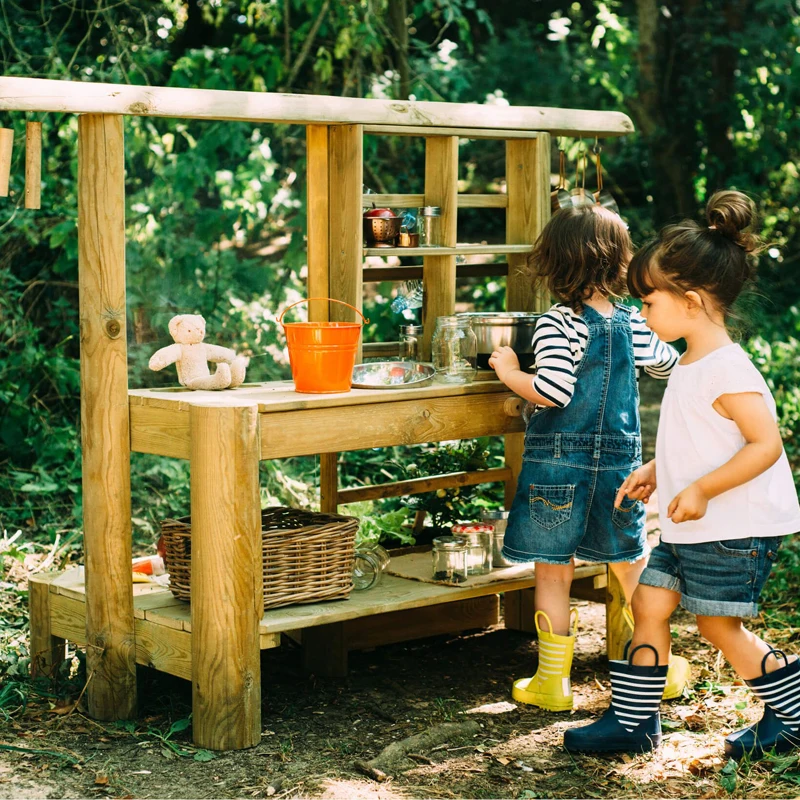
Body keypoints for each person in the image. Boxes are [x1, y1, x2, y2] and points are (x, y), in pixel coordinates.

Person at [564, 190, 800, 758]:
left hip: (732, 527)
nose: (640, 313)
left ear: (690, 300)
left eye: (648, 303)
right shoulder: (692, 362)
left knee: (720, 628)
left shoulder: (727, 368)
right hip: (692, 522)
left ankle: (792, 715)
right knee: (648, 605)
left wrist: (698, 488)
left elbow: (765, 444)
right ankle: (634, 723)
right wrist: (658, 470)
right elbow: (699, 440)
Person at [489, 204, 687, 713]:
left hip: (557, 467)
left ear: (555, 263)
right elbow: (669, 364)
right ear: (618, 262)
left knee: (554, 571)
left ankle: (551, 684)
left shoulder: (557, 323)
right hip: (620, 467)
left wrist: (510, 370)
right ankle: (657, 668)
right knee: (630, 562)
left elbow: (552, 391)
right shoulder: (634, 322)